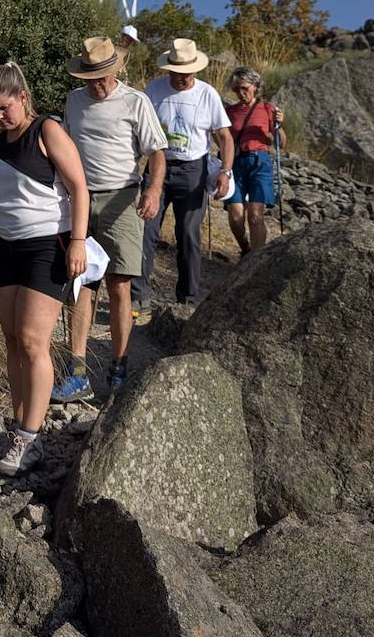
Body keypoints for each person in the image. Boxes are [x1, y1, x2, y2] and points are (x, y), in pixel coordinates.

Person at [0, 61, 89, 476]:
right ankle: (19, 432)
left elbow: (80, 186)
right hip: (6, 246)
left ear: (23, 98)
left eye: (4, 108)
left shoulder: (47, 130)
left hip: (47, 246)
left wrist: (79, 241)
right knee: (12, 340)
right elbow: (10, 193)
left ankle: (31, 438)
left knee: (33, 340)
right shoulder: (1, 139)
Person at [54, 37, 168, 399]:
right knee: (82, 283)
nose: (97, 84)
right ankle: (78, 373)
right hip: (81, 200)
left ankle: (119, 368)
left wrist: (152, 191)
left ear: (116, 70)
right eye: (90, 77)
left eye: (102, 77)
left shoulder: (135, 101)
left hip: (124, 198)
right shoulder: (74, 101)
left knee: (119, 285)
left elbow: (157, 152)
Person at [131, 38, 234, 307]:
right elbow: (139, 129)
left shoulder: (207, 94)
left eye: (186, 73)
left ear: (195, 70)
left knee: (188, 232)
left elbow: (224, 136)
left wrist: (225, 171)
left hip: (194, 168)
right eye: (176, 73)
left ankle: (188, 297)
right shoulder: (153, 89)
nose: (181, 78)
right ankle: (138, 297)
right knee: (146, 230)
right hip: (158, 166)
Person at [224, 66, 286, 255]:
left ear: (255, 86)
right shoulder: (229, 111)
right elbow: (221, 138)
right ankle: (245, 249)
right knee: (235, 217)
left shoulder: (267, 109)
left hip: (260, 163)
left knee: (256, 216)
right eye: (236, 89)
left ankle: (254, 260)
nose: (240, 93)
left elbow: (281, 143)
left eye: (244, 88)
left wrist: (279, 126)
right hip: (236, 164)